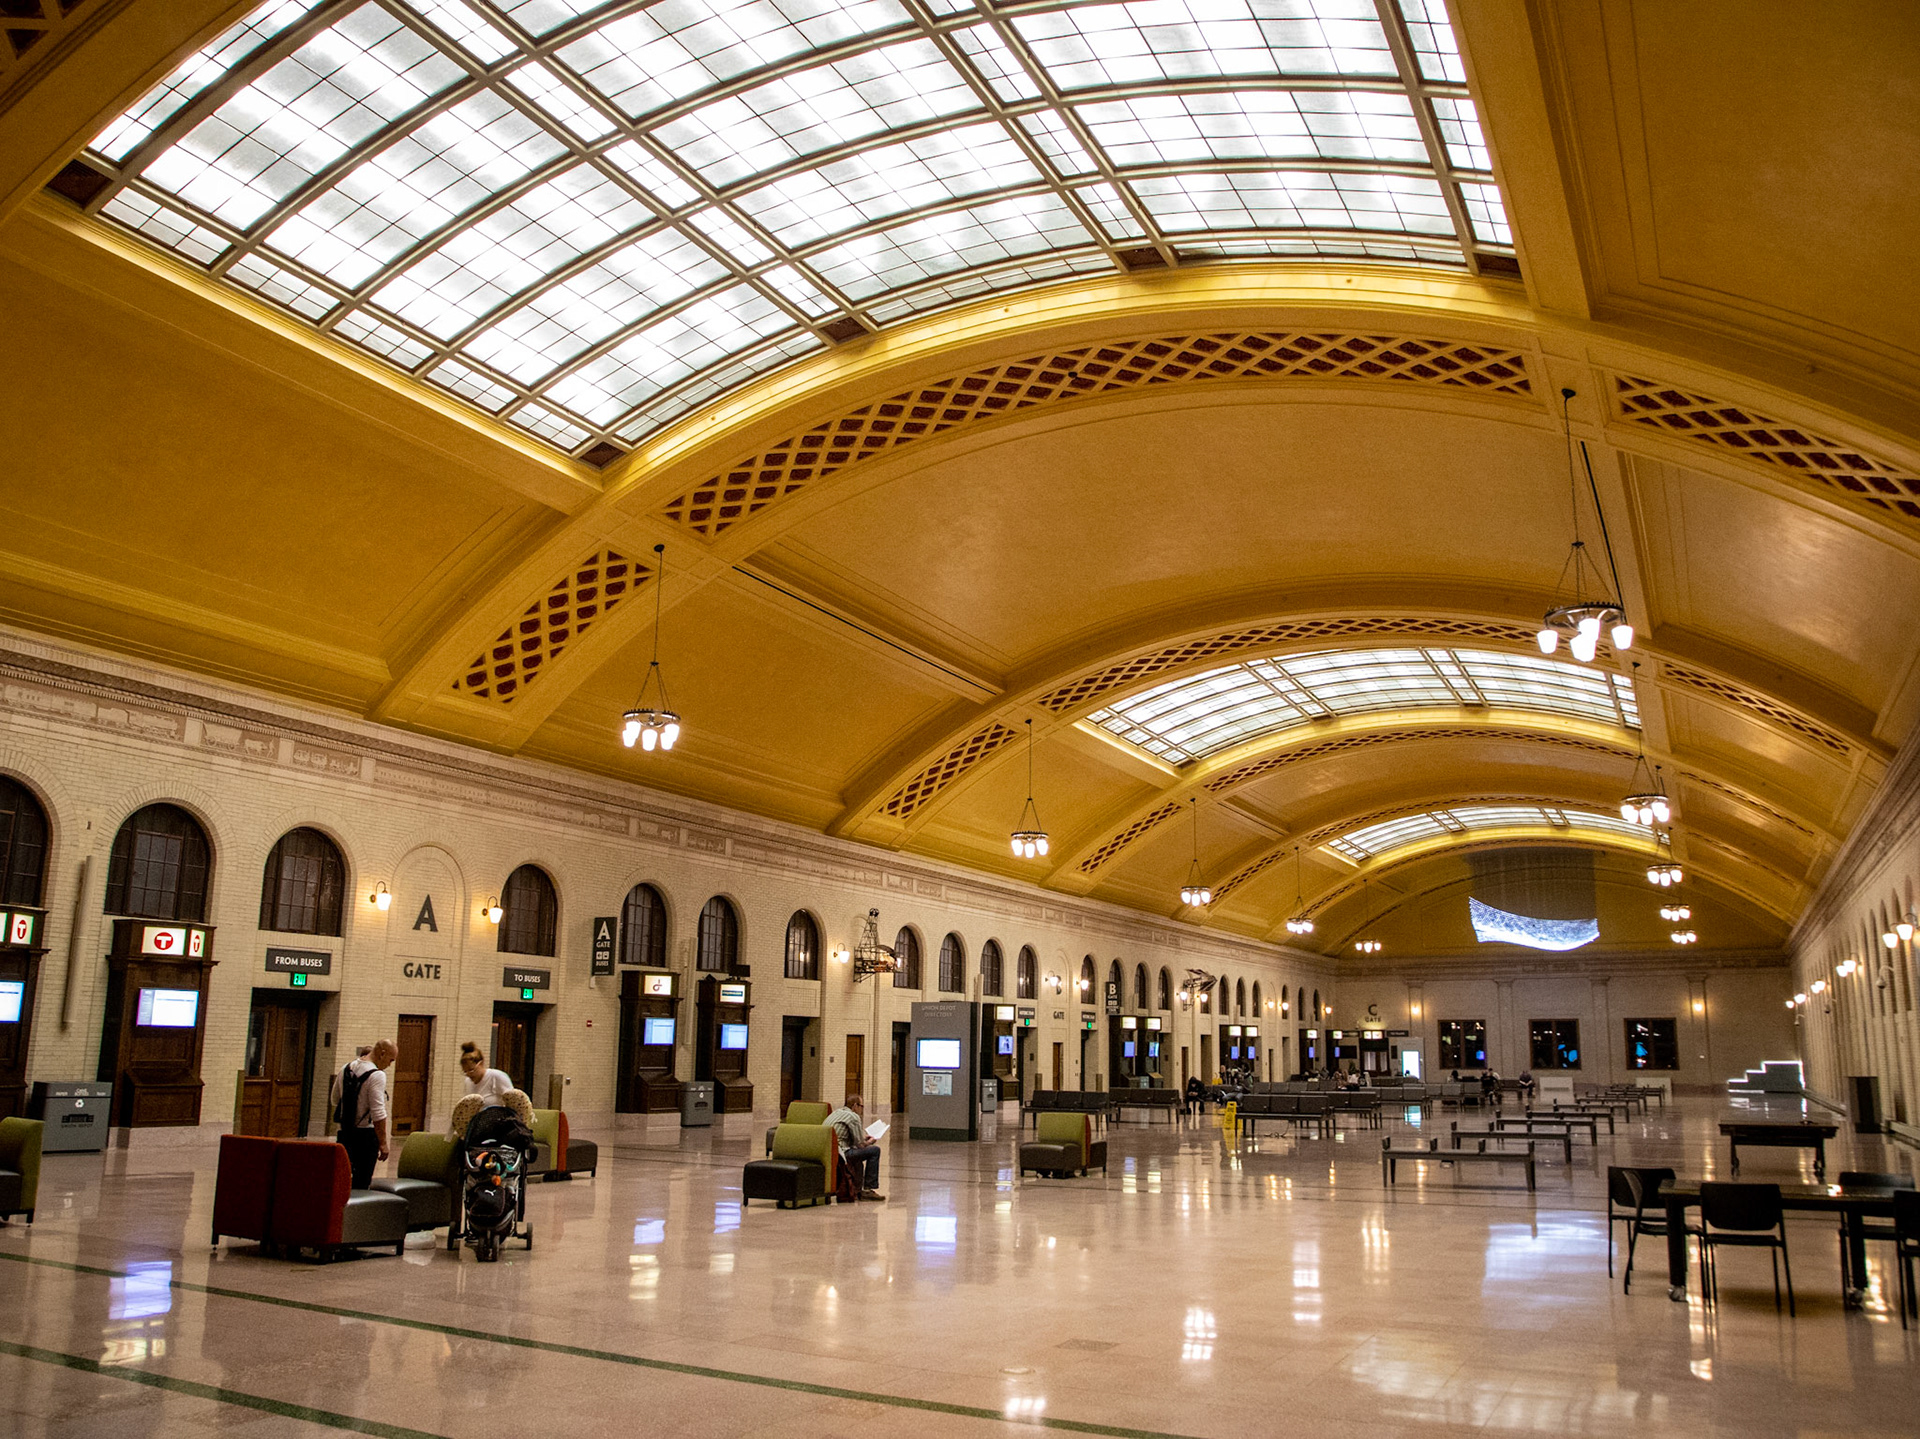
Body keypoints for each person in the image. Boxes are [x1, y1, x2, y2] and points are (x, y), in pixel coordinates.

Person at [332, 1039, 395, 1188]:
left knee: (343, 1181)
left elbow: (334, 1099)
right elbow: (378, 1112)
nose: (389, 1065)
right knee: (362, 1183)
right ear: (382, 1054)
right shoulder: (377, 1075)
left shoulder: (346, 1068)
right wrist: (383, 1143)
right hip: (366, 1136)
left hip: (345, 1133)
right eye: (391, 1060)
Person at [826, 1094, 884, 1201]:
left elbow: (847, 1137)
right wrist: (871, 1141)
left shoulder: (836, 1113)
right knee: (875, 1151)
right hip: (842, 1153)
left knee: (858, 1155)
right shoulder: (853, 1116)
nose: (862, 1110)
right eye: (861, 1106)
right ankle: (868, 1189)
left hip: (828, 1150)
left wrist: (864, 1139)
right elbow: (860, 1144)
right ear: (855, 1106)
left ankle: (857, 1189)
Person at [458, 1041, 513, 1108]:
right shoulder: (468, 1082)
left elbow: (512, 1101)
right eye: (465, 1072)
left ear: (481, 1063)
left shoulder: (497, 1076)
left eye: (471, 1070)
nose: (469, 1074)